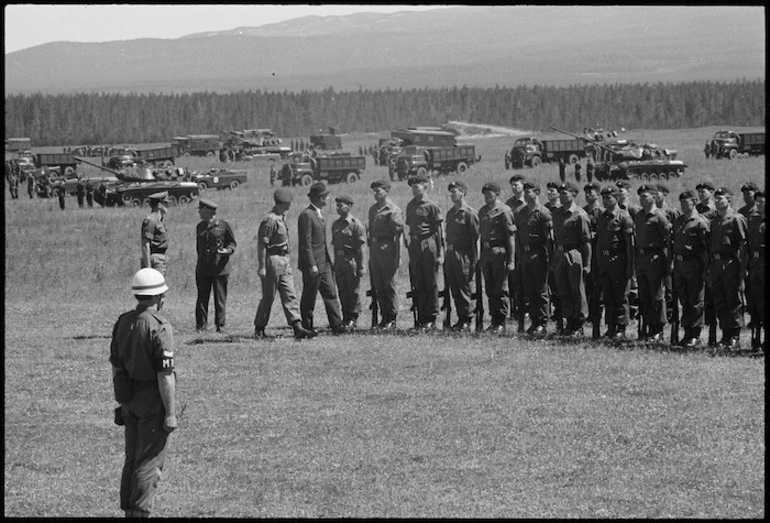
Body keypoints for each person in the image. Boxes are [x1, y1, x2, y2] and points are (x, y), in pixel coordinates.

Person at [110, 268, 177, 518]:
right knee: (149, 462)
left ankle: (129, 510)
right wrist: (170, 413)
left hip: (128, 399)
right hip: (152, 401)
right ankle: (141, 512)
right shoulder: (160, 327)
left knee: (132, 459)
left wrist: (121, 400)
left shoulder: (123, 321)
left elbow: (116, 366)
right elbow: (165, 375)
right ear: (158, 296)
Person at [253, 188, 316, 339]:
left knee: (290, 294)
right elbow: (262, 244)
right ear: (283, 203)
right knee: (269, 297)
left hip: (284, 260)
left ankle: (297, 327)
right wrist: (262, 267)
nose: (290, 205)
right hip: (273, 260)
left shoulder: (282, 218)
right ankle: (259, 328)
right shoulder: (270, 220)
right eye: (289, 202)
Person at [298, 182, 345, 334]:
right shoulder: (307, 215)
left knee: (331, 293)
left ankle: (337, 325)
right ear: (320, 198)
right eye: (326, 196)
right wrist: (311, 264)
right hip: (314, 264)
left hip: (324, 263)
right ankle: (306, 327)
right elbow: (306, 243)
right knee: (309, 297)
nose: (328, 199)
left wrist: (327, 263)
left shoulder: (318, 213)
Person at [708, 187, 748, 349]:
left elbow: (743, 244)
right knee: (720, 299)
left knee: (733, 299)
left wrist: (742, 267)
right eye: (716, 198)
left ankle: (735, 336)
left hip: (730, 262)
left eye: (720, 198)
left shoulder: (736, 219)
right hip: (716, 264)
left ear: (729, 200)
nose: (717, 201)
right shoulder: (715, 220)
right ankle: (725, 334)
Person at [551, 182, 592, 336]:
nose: (562, 196)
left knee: (577, 290)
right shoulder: (556, 214)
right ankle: (569, 320)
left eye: (565, 194)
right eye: (560, 194)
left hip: (574, 253)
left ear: (573, 195)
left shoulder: (579, 215)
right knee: (563, 289)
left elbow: (586, 241)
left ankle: (578, 323)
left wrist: (587, 264)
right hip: (559, 253)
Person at [405, 174, 444, 331]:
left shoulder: (431, 205)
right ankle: (421, 316)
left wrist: (440, 252)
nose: (415, 190)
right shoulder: (410, 205)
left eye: (417, 187)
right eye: (413, 188)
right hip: (415, 245)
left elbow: (439, 230)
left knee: (430, 282)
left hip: (428, 243)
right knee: (418, 281)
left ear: (425, 187)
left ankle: (431, 317)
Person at [671, 190, 710, 348]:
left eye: (686, 202)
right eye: (681, 202)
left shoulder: (700, 222)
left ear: (694, 202)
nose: (683, 205)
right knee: (684, 300)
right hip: (680, 265)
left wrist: (705, 269)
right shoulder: (678, 221)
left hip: (694, 264)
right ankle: (687, 331)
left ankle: (695, 334)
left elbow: (706, 248)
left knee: (695, 300)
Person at [595, 186, 635, 339]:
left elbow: (630, 245)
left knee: (620, 295)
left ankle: (621, 327)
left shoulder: (624, 217)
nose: (605, 200)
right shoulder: (602, 217)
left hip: (619, 260)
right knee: (608, 295)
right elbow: (599, 242)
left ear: (617, 198)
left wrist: (630, 266)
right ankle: (610, 326)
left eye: (609, 197)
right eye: (604, 198)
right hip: (605, 261)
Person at [634, 184, 671, 341]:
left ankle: (657, 329)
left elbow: (669, 240)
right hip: (641, 258)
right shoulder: (639, 215)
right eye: (641, 196)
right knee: (644, 295)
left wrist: (668, 263)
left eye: (645, 196)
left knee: (656, 295)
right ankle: (647, 326)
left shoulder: (660, 217)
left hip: (655, 258)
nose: (642, 199)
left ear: (654, 197)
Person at [515, 181, 552, 336]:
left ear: (537, 193)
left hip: (539, 254)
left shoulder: (543, 213)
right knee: (529, 290)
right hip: (525, 255)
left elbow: (549, 239)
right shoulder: (521, 212)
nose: (526, 194)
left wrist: (548, 259)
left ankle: (543, 323)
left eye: (529, 191)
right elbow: (517, 236)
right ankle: (534, 322)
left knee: (541, 290)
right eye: (525, 191)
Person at [367, 179, 405, 331]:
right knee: (379, 285)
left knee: (389, 285)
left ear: (386, 192)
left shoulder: (393, 210)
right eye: (374, 191)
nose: (376, 194)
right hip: (375, 249)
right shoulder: (373, 210)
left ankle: (392, 317)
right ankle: (384, 316)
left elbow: (399, 235)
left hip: (388, 249)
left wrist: (398, 256)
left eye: (378, 191)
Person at [478, 182, 516, 333]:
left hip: (499, 251)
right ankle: (494, 319)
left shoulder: (504, 211)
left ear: (497, 194)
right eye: (485, 194)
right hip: (487, 253)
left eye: (490, 193)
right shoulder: (482, 211)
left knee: (500, 288)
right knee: (490, 288)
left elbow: (510, 237)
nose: (487, 196)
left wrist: (511, 260)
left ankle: (501, 321)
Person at [195, 198, 237, 333]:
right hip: (203, 268)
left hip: (220, 268)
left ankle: (221, 325)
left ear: (207, 211)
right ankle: (201, 326)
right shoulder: (200, 227)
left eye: (201, 210)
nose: (199, 213)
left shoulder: (224, 225)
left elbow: (232, 244)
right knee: (202, 298)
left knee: (220, 298)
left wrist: (227, 251)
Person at [444, 180, 480, 332]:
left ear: (463, 192)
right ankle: (460, 318)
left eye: (455, 191)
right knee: (455, 288)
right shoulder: (450, 213)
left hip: (464, 254)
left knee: (465, 287)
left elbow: (476, 237)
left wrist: (475, 260)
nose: (452, 194)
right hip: (451, 254)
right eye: (451, 191)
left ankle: (467, 319)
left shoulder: (470, 213)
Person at [331, 194, 367, 332]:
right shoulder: (336, 224)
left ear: (349, 206)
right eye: (337, 205)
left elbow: (361, 247)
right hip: (340, 261)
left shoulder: (355, 225)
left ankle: (353, 317)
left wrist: (361, 266)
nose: (338, 208)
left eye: (341, 205)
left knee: (353, 291)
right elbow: (335, 245)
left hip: (351, 260)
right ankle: (345, 316)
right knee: (342, 289)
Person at [505, 174, 528, 328]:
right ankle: (514, 308)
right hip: (512, 246)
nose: (514, 188)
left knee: (526, 279)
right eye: (512, 185)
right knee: (513, 280)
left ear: (523, 186)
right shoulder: (508, 204)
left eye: (517, 185)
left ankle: (525, 310)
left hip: (525, 245)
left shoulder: (528, 203)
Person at [746, 190, 765, 351]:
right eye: (757, 201)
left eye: (761, 202)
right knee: (757, 303)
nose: (758, 204)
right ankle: (757, 338)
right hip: (755, 264)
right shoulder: (753, 220)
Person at [141, 192, 170, 276]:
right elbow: (145, 246)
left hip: (161, 259)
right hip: (154, 260)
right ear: (159, 205)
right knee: (154, 287)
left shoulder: (159, 220)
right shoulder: (151, 220)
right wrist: (148, 269)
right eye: (166, 203)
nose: (168, 206)